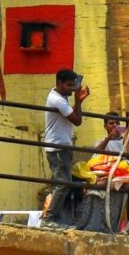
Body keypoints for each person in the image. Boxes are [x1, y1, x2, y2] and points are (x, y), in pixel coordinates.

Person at [39, 67, 85, 210]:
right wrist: (78, 100)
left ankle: (53, 216)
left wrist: (78, 101)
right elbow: (77, 120)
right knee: (63, 184)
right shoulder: (57, 100)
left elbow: (72, 115)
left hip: (61, 145)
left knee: (61, 184)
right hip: (57, 147)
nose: (72, 89)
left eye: (73, 85)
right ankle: (50, 217)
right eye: (69, 85)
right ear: (59, 83)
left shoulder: (60, 98)